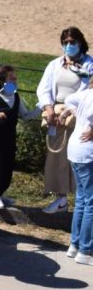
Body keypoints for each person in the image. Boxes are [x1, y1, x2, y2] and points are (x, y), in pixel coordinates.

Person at [37, 27, 93, 214]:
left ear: (80, 43)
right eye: (65, 42)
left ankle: (82, 202)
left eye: (72, 42)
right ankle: (61, 198)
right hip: (56, 114)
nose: (69, 45)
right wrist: (49, 110)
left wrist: (70, 112)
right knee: (57, 157)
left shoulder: (89, 64)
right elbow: (44, 89)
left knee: (81, 158)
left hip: (80, 114)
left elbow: (88, 88)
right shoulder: (55, 64)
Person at [0, 65, 41, 209]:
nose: (15, 79)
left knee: (8, 164)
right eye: (11, 78)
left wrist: (39, 108)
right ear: (2, 81)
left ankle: (0, 193)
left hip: (10, 137)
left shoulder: (16, 97)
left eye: (15, 77)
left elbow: (25, 115)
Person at [56, 87, 93, 264]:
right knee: (90, 203)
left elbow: (69, 99)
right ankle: (85, 251)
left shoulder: (86, 93)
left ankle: (74, 245)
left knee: (82, 200)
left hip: (76, 149)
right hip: (88, 152)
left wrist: (71, 112)